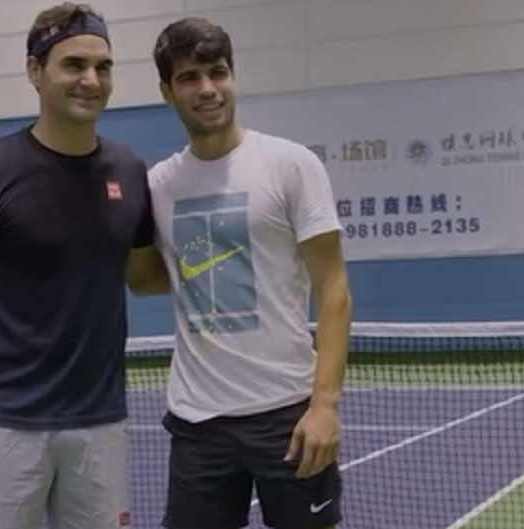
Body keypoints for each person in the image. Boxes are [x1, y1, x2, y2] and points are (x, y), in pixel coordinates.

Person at [0, 3, 166, 529]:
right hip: (7, 426)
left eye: (103, 67)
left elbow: (144, 278)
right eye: (74, 65)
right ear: (35, 72)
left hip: (100, 425)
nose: (91, 80)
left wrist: (249, 274)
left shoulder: (129, 171)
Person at [146, 17, 354, 529]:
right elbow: (149, 277)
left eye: (218, 73)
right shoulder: (157, 186)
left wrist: (323, 405)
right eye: (190, 77)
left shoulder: (290, 165)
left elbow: (333, 288)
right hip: (198, 424)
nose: (208, 89)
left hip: (288, 415)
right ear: (166, 91)